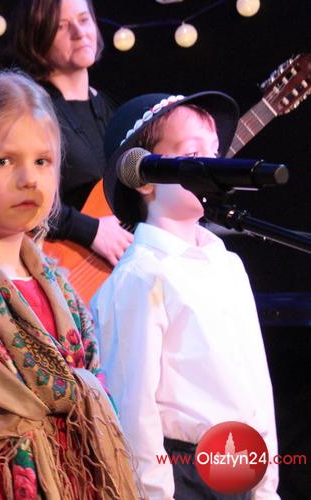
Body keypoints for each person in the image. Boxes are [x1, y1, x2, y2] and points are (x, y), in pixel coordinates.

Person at [0, 71, 139, 499]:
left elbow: (89, 385)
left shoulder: (61, 290)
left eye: (42, 161)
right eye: (4, 161)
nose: (29, 178)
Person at [91, 92, 279, 499]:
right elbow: (134, 409)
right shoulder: (142, 276)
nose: (214, 166)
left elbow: (255, 382)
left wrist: (267, 486)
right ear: (145, 177)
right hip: (184, 475)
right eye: (194, 154)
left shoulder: (226, 264)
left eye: (215, 152)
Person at [11, 0, 132, 267]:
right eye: (62, 26)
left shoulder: (108, 107)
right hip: (58, 269)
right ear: (37, 38)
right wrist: (91, 231)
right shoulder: (31, 111)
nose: (79, 33)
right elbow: (15, 198)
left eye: (84, 19)